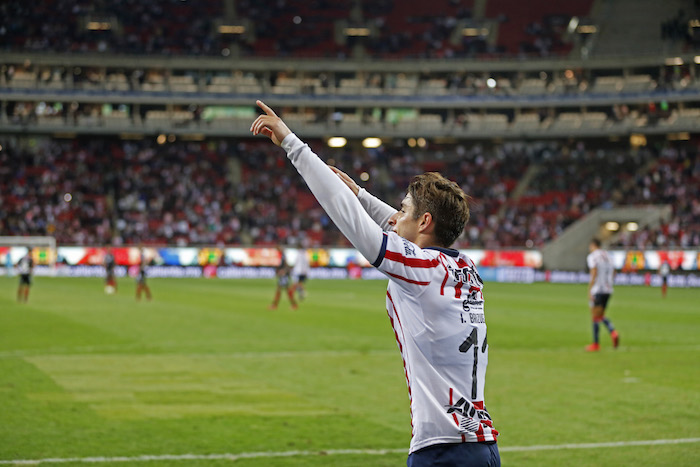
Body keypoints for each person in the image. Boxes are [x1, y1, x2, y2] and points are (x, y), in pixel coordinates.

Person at [251, 101, 499, 466]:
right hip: (481, 446)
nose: (395, 217)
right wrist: (362, 195)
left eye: (404, 210)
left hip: (444, 450)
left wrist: (292, 144)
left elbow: (357, 225)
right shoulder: (463, 268)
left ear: (425, 221)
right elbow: (398, 227)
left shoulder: (422, 269)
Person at [585, 239, 619, 352]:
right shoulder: (608, 256)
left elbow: (594, 272)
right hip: (608, 290)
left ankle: (596, 343)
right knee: (601, 315)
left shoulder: (593, 256)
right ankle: (613, 332)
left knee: (595, 316)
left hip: (598, 289)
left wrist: (590, 289)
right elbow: (614, 272)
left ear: (593, 245)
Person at [269, 246, 298, 310]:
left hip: (284, 276)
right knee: (283, 290)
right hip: (283, 276)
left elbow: (286, 266)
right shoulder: (282, 256)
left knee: (281, 290)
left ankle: (275, 305)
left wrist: (283, 271)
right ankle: (293, 305)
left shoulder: (283, 256)